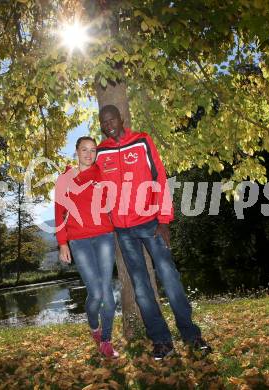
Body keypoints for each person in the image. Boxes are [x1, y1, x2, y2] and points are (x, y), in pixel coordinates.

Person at [96, 105, 212, 360]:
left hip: (150, 223)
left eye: (111, 119)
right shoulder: (100, 152)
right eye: (103, 122)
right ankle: (161, 341)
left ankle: (192, 336)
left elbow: (159, 178)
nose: (108, 124)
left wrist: (165, 219)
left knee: (170, 278)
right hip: (123, 231)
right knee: (140, 287)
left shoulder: (142, 141)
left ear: (121, 117)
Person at [54, 136, 119, 358]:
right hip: (79, 241)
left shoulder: (102, 173)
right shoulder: (65, 177)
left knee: (107, 294)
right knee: (96, 292)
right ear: (76, 151)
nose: (89, 154)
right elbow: (58, 212)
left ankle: (106, 340)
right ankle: (94, 326)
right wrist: (62, 242)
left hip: (104, 237)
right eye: (84, 150)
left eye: (93, 150)